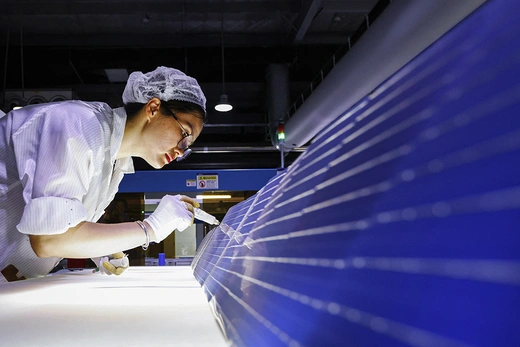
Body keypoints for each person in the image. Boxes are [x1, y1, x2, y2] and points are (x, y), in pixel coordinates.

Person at [0, 66, 206, 283]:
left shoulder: (116, 163)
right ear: (153, 108)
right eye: (184, 135)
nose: (181, 151)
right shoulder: (77, 125)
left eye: (187, 147)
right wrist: (150, 228)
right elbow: (49, 240)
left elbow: (68, 224)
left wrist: (99, 248)